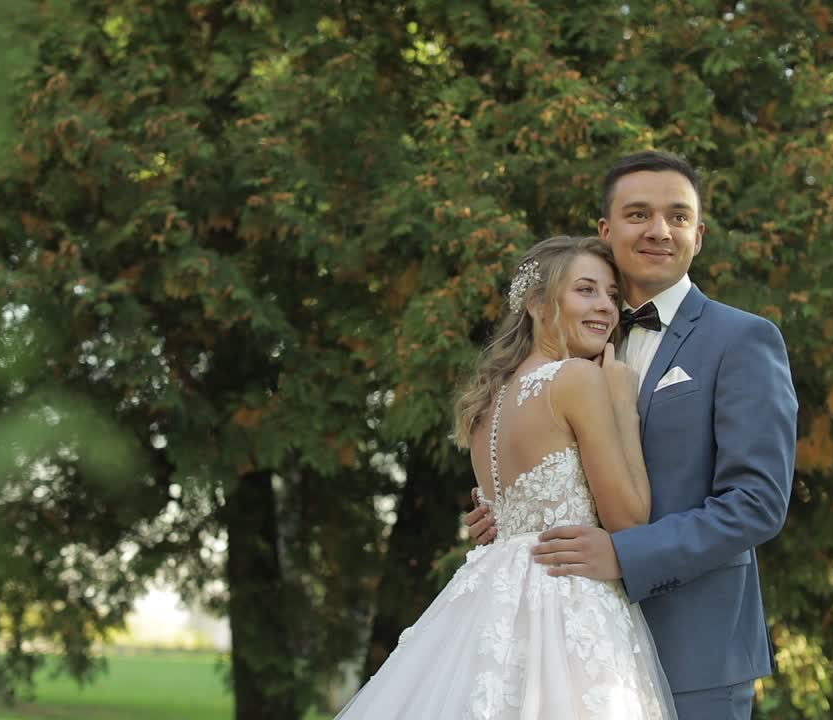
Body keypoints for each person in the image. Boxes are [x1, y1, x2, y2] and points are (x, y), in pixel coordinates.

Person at [465, 151, 799, 719]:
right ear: (607, 230)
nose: (659, 230)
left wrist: (624, 553)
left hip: (694, 652)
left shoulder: (743, 339)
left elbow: (757, 504)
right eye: (638, 213)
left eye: (678, 216)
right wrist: (513, 514)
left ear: (699, 234)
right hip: (565, 647)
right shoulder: (573, 346)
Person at [336, 235, 677, 718]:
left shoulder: (487, 402)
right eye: (585, 290)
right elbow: (629, 520)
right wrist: (623, 403)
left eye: (611, 295)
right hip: (567, 600)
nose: (606, 307)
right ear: (537, 303)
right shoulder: (578, 380)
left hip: (492, 601)